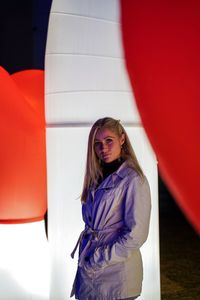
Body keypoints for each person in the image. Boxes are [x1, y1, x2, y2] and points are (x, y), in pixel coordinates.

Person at [70, 117, 151, 300]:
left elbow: (136, 235)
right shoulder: (95, 176)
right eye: (97, 143)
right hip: (89, 274)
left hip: (118, 277)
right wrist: (89, 260)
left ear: (122, 139)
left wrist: (98, 259)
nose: (103, 148)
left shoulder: (133, 180)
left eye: (109, 141)